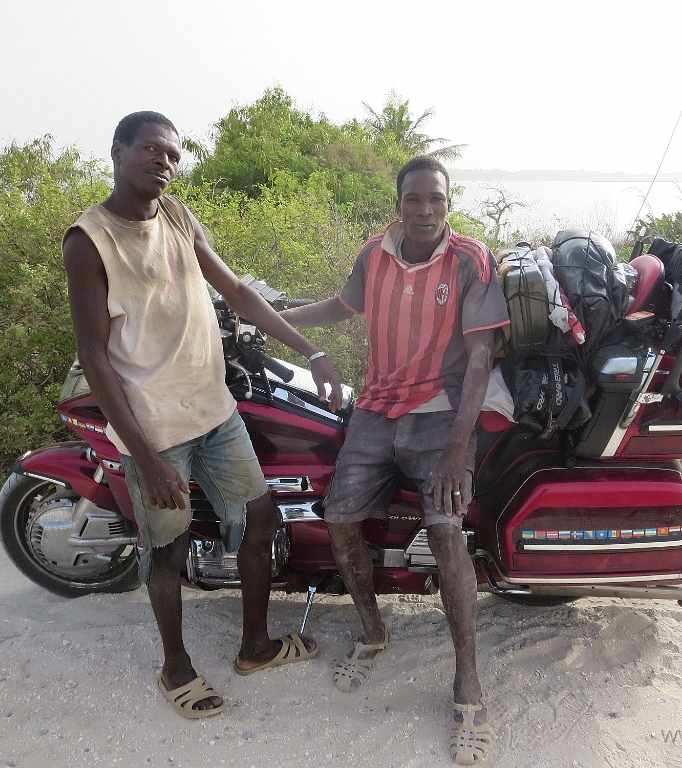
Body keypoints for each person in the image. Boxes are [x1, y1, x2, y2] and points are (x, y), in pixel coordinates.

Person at [62, 111, 344, 720]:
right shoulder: (88, 241)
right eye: (151, 151)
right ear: (117, 151)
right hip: (155, 427)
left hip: (214, 410)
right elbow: (95, 356)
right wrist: (144, 456)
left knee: (262, 518)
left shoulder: (176, 215)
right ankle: (176, 668)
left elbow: (238, 292)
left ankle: (254, 646)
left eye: (172, 154)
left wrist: (311, 349)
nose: (164, 163)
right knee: (166, 548)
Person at [281, 155, 509, 764]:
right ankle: (373, 631)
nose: (425, 210)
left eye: (435, 199)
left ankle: (468, 684)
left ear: (448, 201)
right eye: (414, 199)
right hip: (377, 410)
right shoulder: (373, 255)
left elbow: (481, 360)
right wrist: (273, 318)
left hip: (442, 417)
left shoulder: (469, 260)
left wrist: (457, 448)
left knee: (446, 533)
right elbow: (339, 305)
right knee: (338, 519)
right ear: (398, 203)